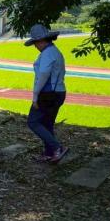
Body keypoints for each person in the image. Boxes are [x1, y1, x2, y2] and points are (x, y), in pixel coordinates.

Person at [24, 24, 68, 163]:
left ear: (41, 41)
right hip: (58, 91)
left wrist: (35, 97)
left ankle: (57, 147)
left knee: (33, 122)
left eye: (35, 43)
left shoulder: (47, 54)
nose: (35, 46)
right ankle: (50, 152)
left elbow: (43, 75)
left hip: (48, 94)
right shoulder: (55, 51)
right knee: (47, 123)